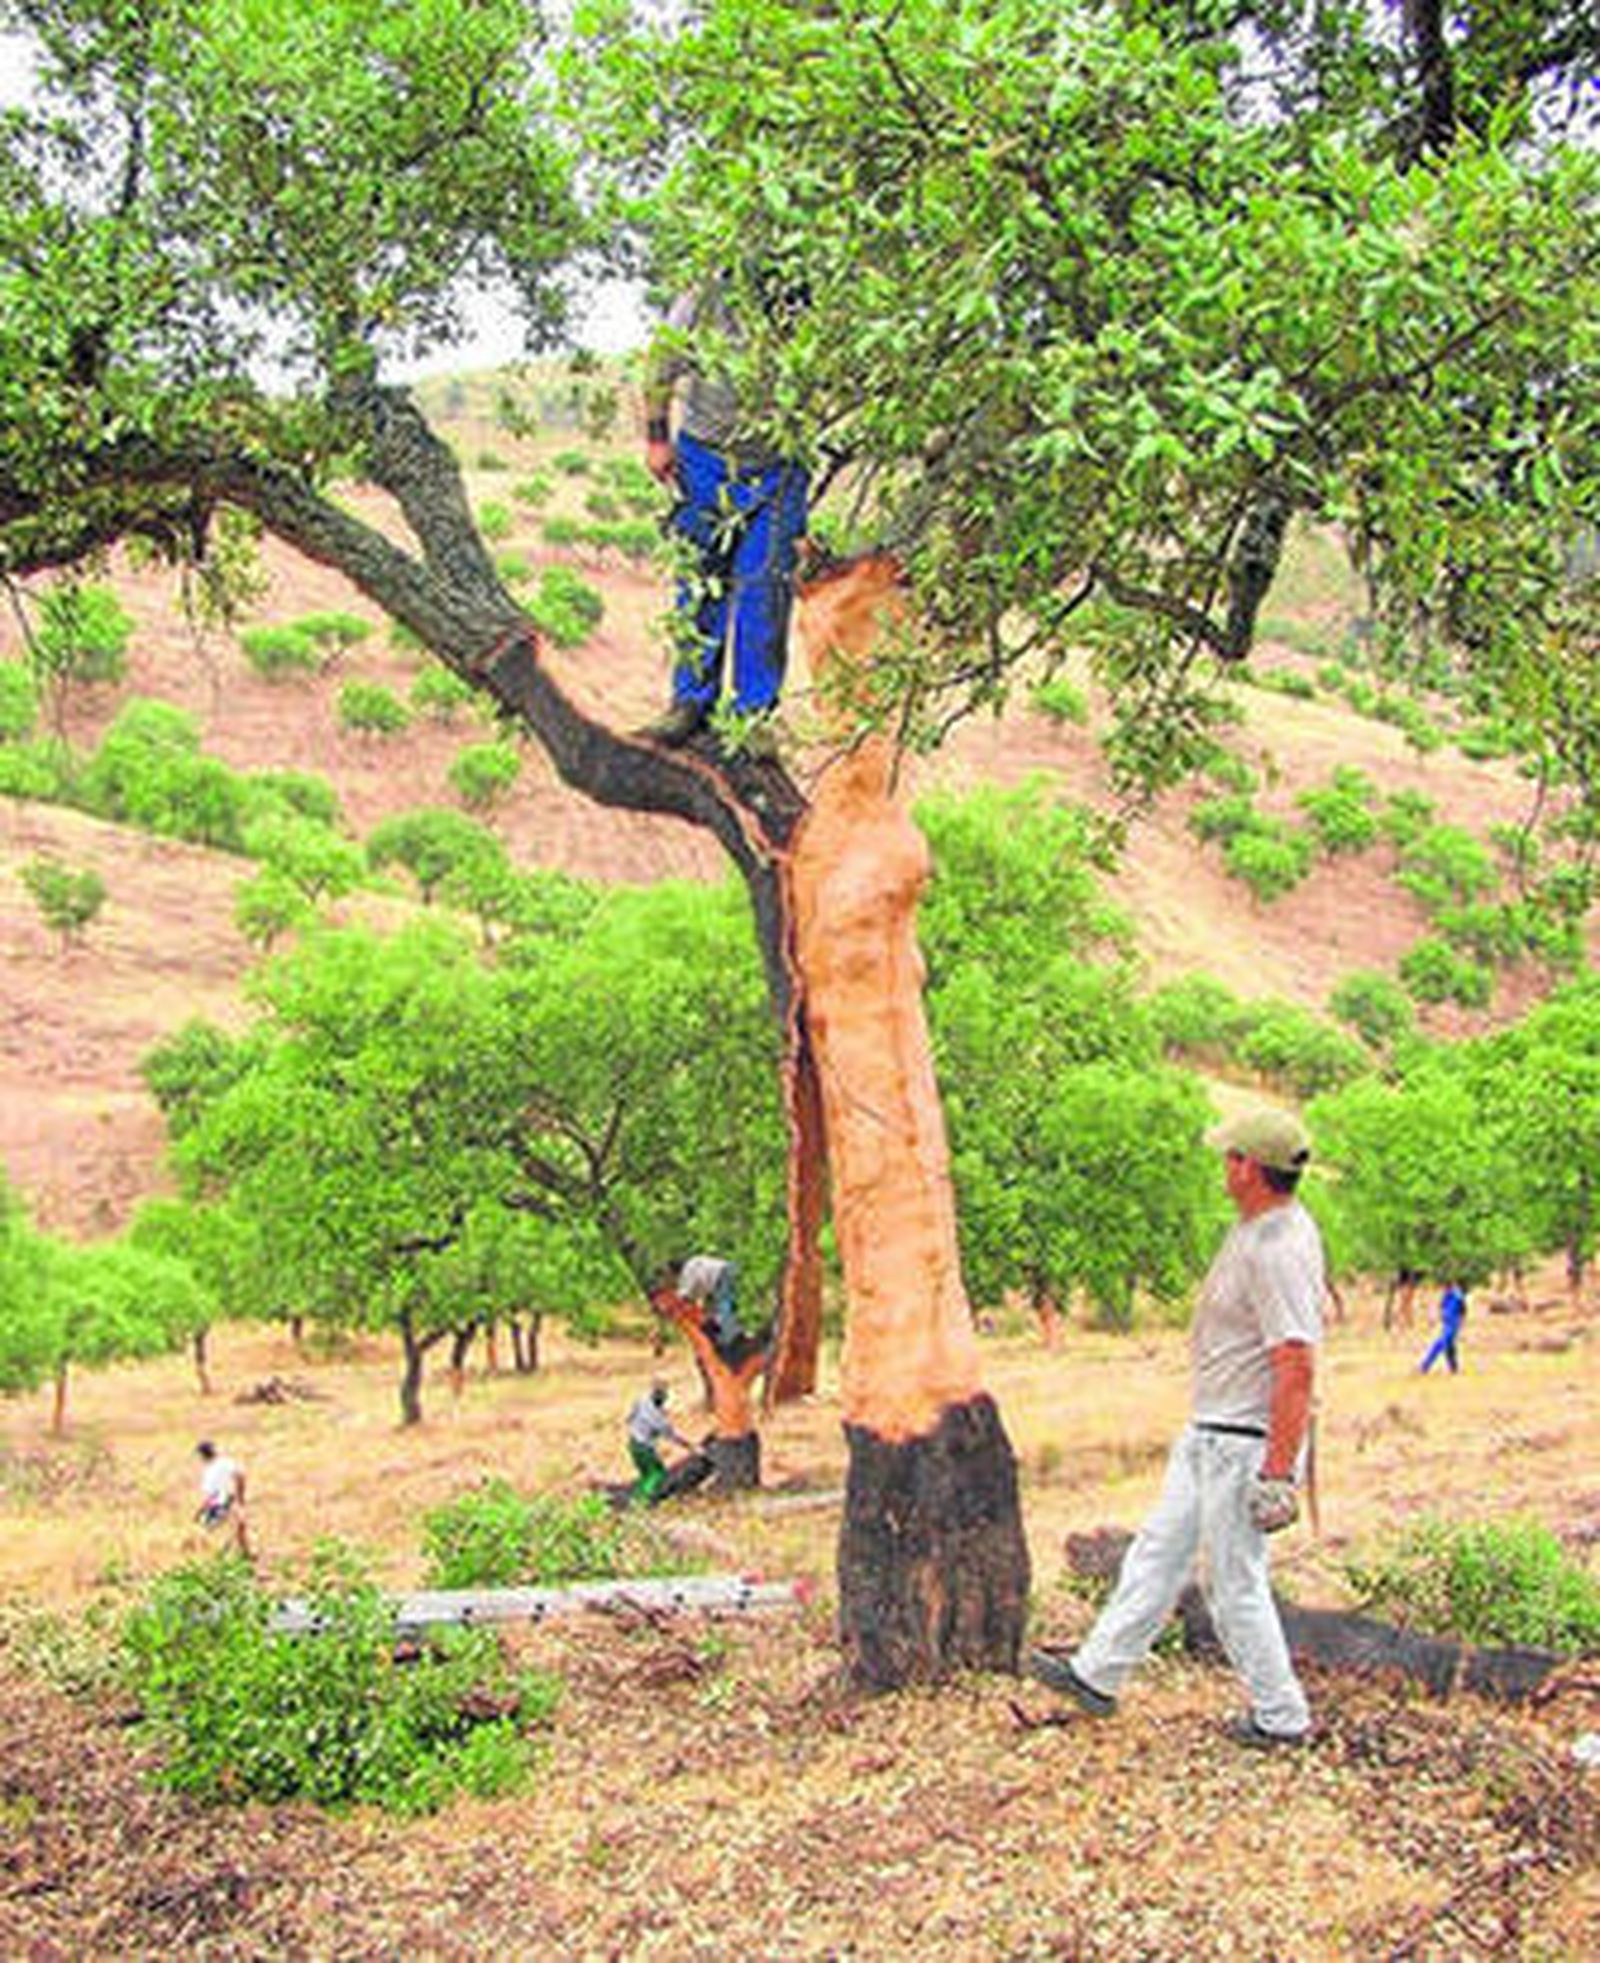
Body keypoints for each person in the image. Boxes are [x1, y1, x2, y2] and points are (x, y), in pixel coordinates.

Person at [1029, 1107, 1326, 1750]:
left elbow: (1295, 1364)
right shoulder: (1258, 1229)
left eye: (1230, 1157)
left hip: (1243, 1442)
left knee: (1233, 1584)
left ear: (1248, 1167)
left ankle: (1283, 1717)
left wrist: (1279, 1471)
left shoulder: (1278, 1247)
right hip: (1211, 1432)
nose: (1224, 1166)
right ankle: (1097, 1675)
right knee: (1157, 1554)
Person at [638, 270, 810, 751]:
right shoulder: (706, 296)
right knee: (698, 584)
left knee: (765, 592)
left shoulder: (818, 294)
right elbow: (659, 367)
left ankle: (752, 717)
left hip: (781, 466)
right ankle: (690, 704)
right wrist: (656, 440)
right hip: (705, 459)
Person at [625, 1382, 691, 1505]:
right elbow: (672, 1435)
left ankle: (637, 1495)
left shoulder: (642, 1400)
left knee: (645, 1473)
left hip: (633, 1443)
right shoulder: (658, 1420)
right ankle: (643, 1501)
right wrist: (691, 1447)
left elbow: (630, 1416)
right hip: (644, 1447)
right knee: (657, 1473)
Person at [194, 1439, 252, 1559]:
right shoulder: (226, 1463)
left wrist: (199, 1511)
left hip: (219, 1502)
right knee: (239, 1528)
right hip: (229, 1498)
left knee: (212, 1531)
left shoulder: (209, 1472)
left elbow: (209, 1496)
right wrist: (240, 1497)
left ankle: (224, 1556)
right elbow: (240, 1476)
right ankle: (244, 1554)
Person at [676, 1253, 743, 1355]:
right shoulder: (695, 1264)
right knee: (723, 1310)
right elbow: (698, 1295)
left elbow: (684, 1295)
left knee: (724, 1310)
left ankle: (731, 1343)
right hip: (728, 1270)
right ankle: (730, 1337)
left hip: (723, 1274)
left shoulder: (688, 1269)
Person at [1420, 1281, 1468, 1374]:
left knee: (1441, 1343)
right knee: (1449, 1345)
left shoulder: (1458, 1296)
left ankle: (1425, 1365)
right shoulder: (1447, 1296)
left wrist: (1459, 1320)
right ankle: (1454, 1367)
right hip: (1447, 1322)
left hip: (1453, 1323)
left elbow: (1463, 1310)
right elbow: (1442, 1307)